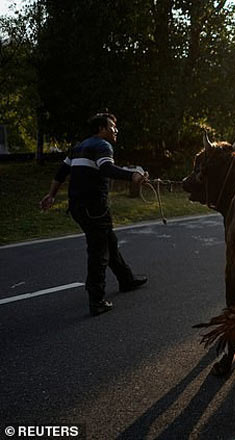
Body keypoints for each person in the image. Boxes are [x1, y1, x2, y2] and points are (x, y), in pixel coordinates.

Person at [40, 113, 149, 316]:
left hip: (78, 207)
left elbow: (61, 172)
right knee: (99, 251)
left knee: (109, 241)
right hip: (94, 208)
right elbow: (106, 168)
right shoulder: (102, 146)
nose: (116, 130)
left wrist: (51, 195)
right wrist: (132, 175)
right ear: (101, 129)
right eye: (112, 126)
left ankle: (126, 279)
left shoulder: (79, 147)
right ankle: (96, 299)